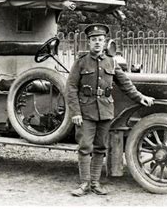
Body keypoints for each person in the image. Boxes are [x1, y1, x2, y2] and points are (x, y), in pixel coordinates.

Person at [66, 23, 154, 196]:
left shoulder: (111, 62)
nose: (97, 43)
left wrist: (140, 97)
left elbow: (126, 84)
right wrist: (76, 112)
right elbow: (71, 88)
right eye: (93, 40)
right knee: (85, 147)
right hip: (86, 111)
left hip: (105, 111)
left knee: (100, 148)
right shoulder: (81, 62)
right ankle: (84, 183)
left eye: (100, 40)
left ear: (105, 42)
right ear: (89, 42)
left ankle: (95, 183)